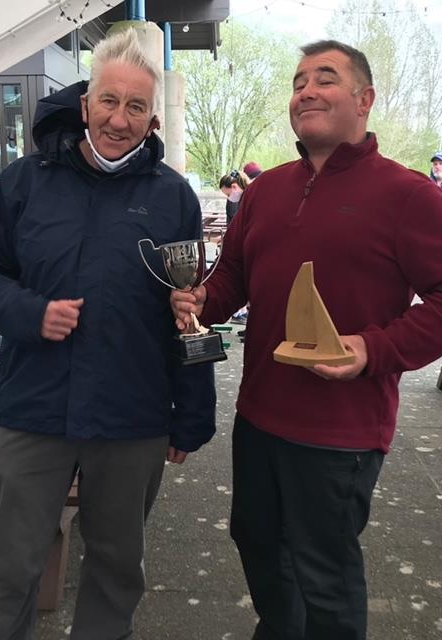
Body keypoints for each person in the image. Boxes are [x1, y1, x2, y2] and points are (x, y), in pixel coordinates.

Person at [171, 39, 442, 640]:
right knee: (258, 543)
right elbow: (235, 279)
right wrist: (199, 300)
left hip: (342, 430)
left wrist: (376, 348)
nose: (306, 92)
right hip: (260, 415)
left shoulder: (411, 196)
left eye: (325, 79)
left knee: (325, 573)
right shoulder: (267, 191)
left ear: (365, 100)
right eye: (298, 83)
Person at [0, 29, 215, 640]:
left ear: (152, 119)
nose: (118, 119)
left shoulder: (172, 198)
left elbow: (188, 310)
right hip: (32, 410)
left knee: (116, 568)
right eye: (108, 101)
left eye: (135, 108)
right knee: (6, 570)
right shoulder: (24, 183)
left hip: (130, 417)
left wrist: (193, 412)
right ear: (85, 103)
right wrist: (30, 313)